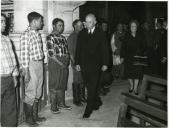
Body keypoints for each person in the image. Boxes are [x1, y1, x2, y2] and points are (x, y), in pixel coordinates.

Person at [75, 13, 109, 118]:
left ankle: (88, 110)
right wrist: (77, 63)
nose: (87, 24)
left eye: (90, 22)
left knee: (92, 87)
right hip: (84, 65)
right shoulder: (82, 33)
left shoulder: (101, 33)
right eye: (86, 21)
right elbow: (78, 49)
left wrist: (105, 63)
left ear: (95, 22)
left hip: (96, 65)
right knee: (89, 85)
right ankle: (97, 101)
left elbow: (105, 49)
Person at [20, 11, 46, 126]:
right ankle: (29, 119)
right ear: (34, 21)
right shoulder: (26, 35)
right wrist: (26, 72)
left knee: (38, 92)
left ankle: (35, 116)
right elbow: (24, 54)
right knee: (31, 92)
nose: (42, 23)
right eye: (41, 21)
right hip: (31, 65)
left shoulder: (37, 34)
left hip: (39, 64)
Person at [46, 18, 71, 114]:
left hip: (64, 63)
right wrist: (61, 63)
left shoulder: (63, 38)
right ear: (54, 26)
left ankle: (61, 103)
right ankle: (53, 107)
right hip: (55, 63)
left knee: (62, 84)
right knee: (54, 85)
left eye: (62, 25)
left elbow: (67, 51)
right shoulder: (50, 37)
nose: (62, 27)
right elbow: (51, 54)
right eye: (59, 25)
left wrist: (67, 61)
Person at [0, 13, 19, 127]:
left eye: (4, 21)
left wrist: (15, 75)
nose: (4, 24)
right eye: (1, 21)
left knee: (10, 109)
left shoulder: (7, 39)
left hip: (9, 78)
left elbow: (13, 58)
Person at [121, 20, 147, 95]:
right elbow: (123, 47)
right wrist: (122, 56)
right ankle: (131, 85)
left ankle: (135, 88)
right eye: (132, 26)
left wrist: (140, 51)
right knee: (128, 73)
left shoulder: (141, 35)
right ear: (130, 27)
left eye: (134, 26)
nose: (133, 27)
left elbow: (144, 45)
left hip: (138, 57)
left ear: (137, 27)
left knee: (137, 73)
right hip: (128, 57)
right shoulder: (127, 35)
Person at [67, 19, 86, 106]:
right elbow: (71, 54)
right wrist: (76, 64)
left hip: (84, 62)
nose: (81, 27)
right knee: (77, 80)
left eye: (82, 25)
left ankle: (82, 97)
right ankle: (76, 99)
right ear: (75, 26)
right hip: (76, 63)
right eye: (79, 25)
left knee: (82, 80)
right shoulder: (72, 37)